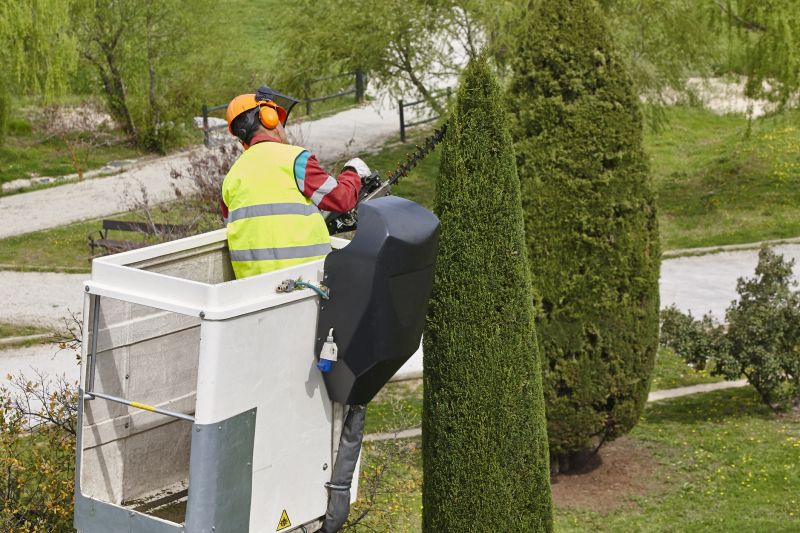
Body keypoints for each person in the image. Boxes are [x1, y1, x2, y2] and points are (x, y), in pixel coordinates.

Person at [221, 86, 370, 279]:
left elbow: (260, 221)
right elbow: (342, 199)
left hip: (252, 287)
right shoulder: (295, 159)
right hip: (306, 279)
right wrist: (353, 172)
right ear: (269, 117)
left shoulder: (231, 177)